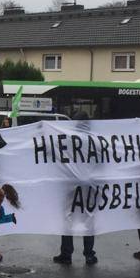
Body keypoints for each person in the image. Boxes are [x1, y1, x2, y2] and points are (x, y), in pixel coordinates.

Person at [53, 111, 97, 265]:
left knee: (67, 218)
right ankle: (89, 254)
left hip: (70, 183)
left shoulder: (68, 140)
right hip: (90, 183)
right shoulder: (95, 141)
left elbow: (58, 157)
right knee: (89, 218)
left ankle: (66, 254)